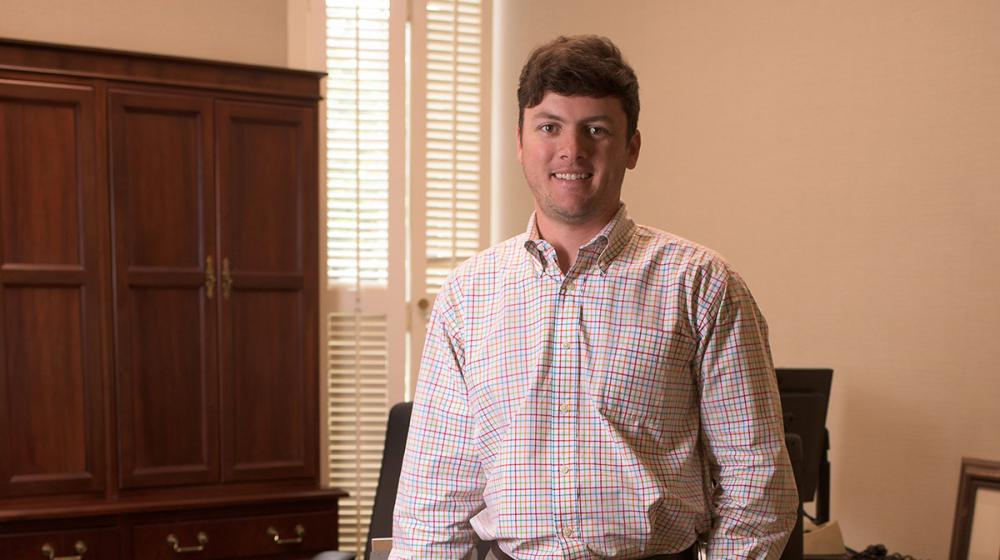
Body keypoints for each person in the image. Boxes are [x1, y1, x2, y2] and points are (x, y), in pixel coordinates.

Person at [391, 35, 798, 560]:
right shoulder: (468, 295)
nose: (571, 150)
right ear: (520, 141)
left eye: (596, 129)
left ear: (631, 147)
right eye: (549, 127)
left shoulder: (703, 285)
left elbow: (758, 486)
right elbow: (433, 500)